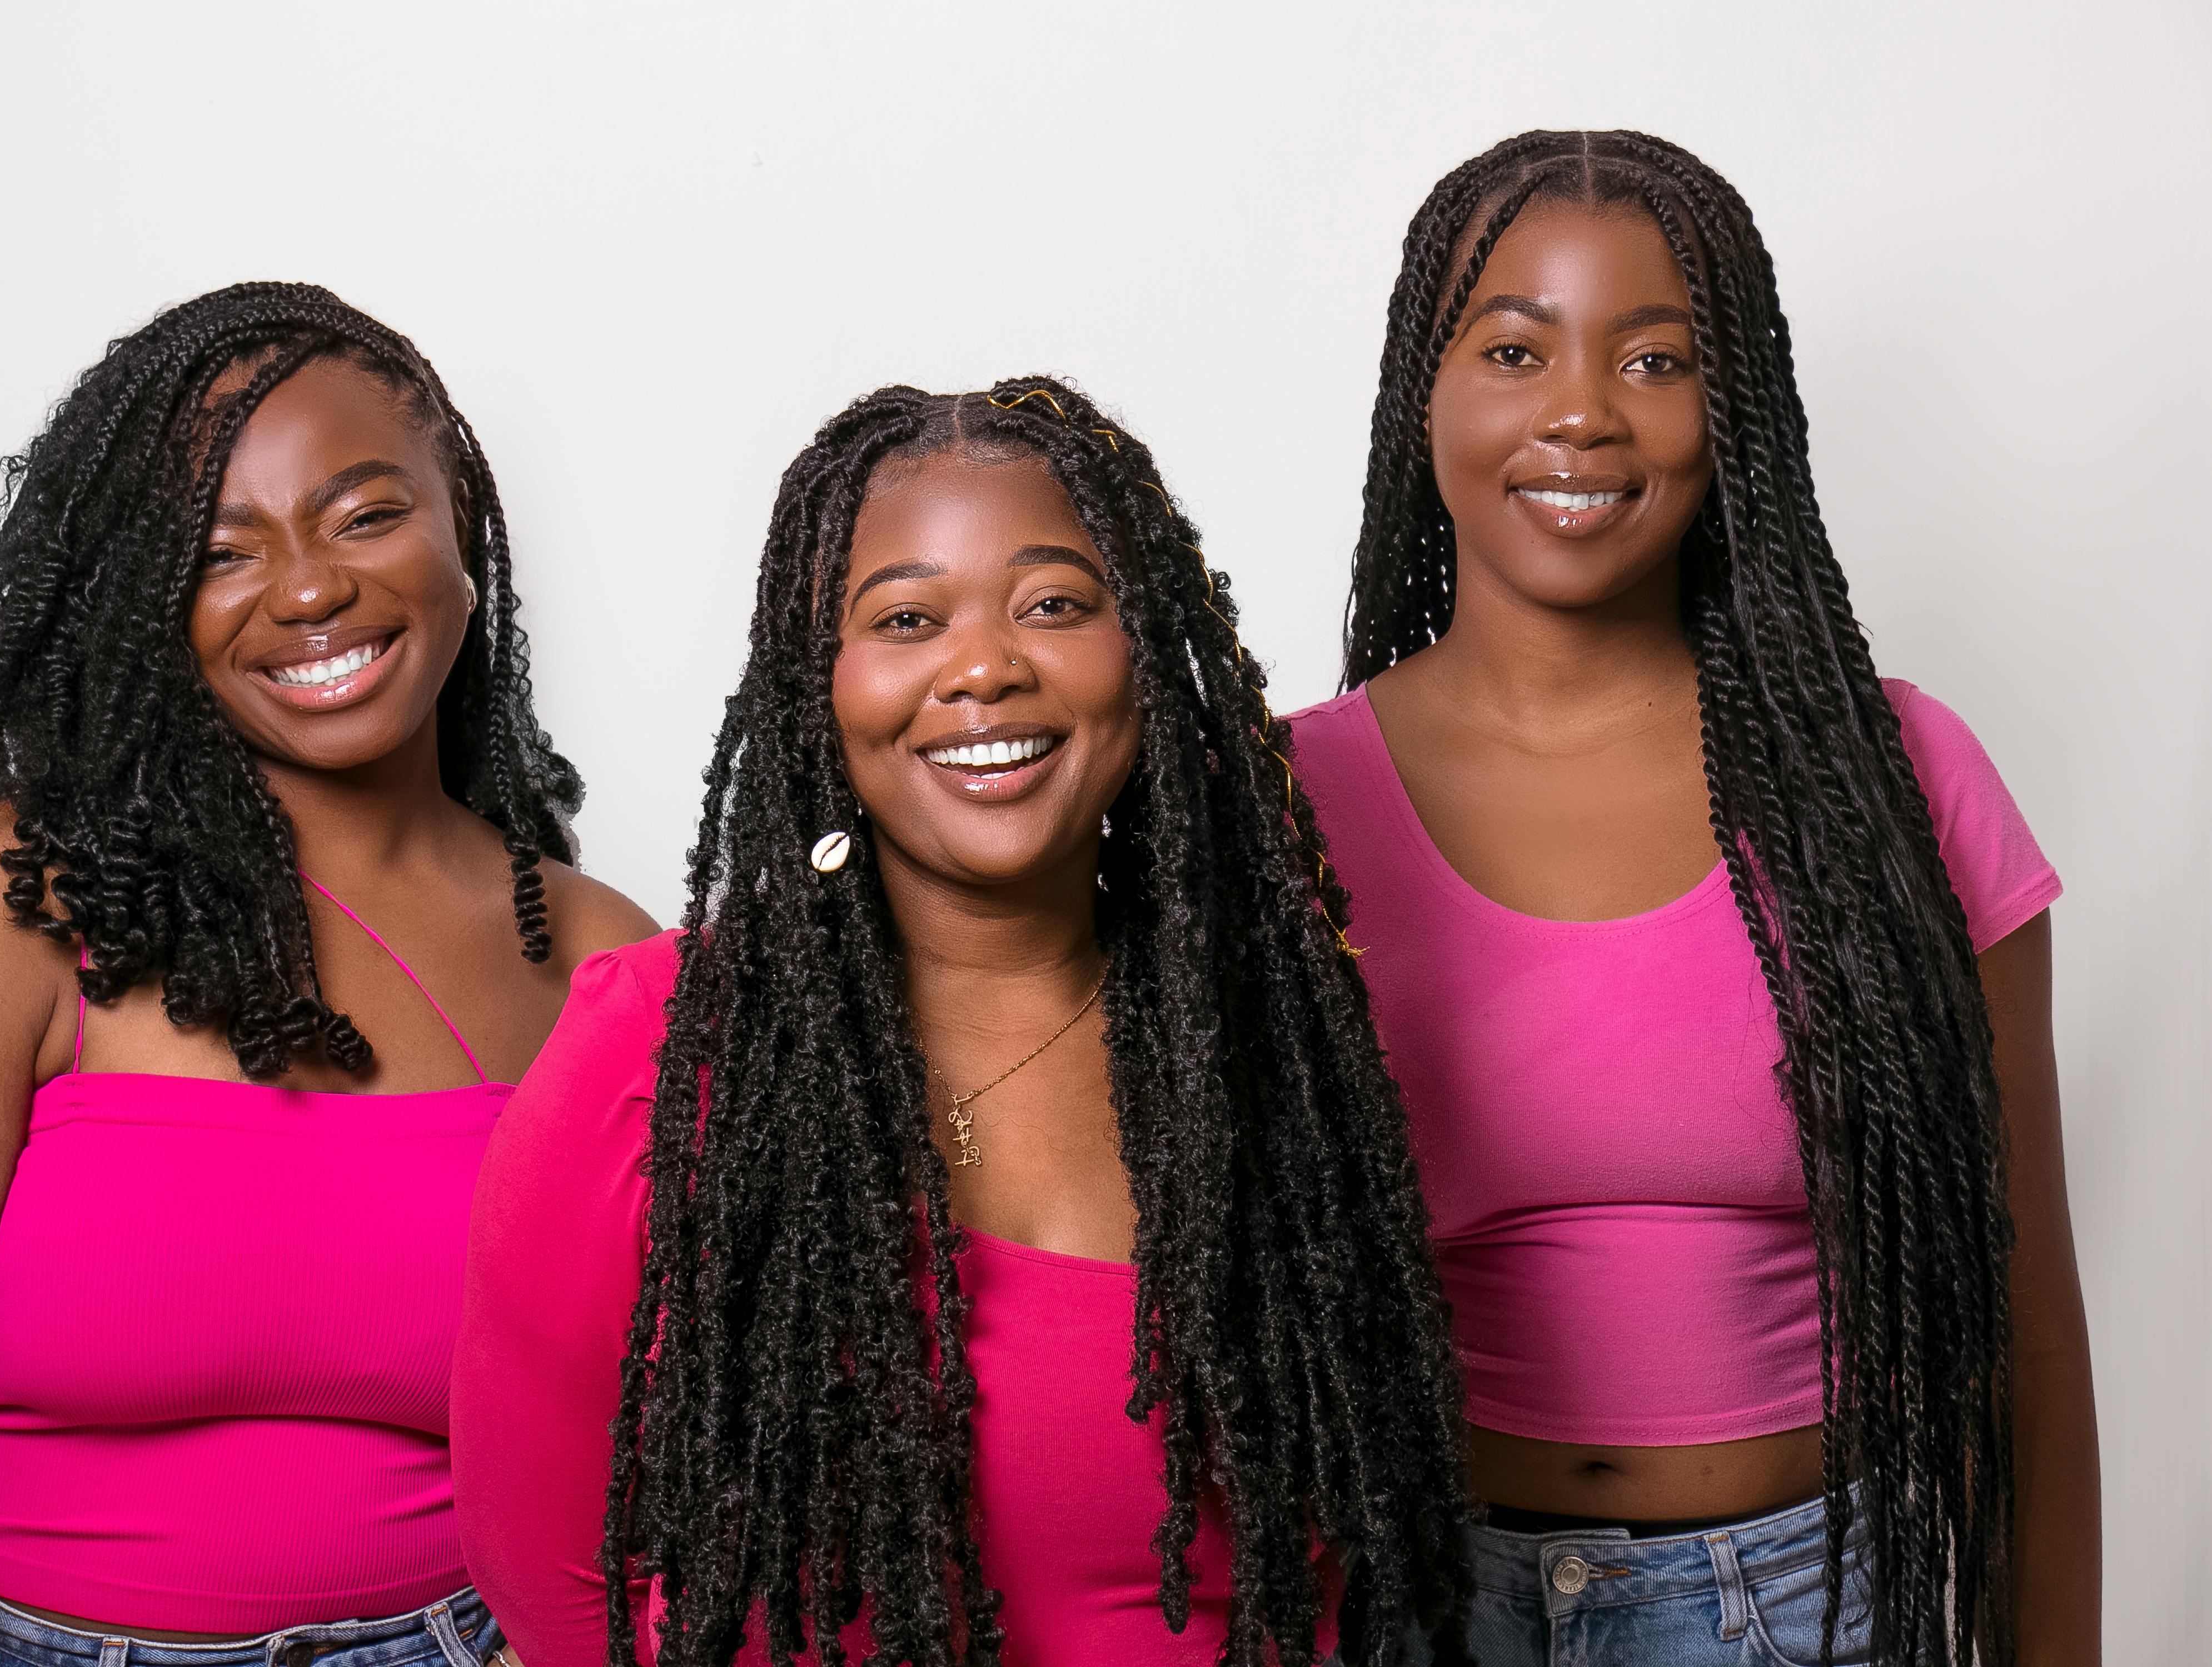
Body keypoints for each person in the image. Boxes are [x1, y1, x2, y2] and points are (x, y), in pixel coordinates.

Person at [450, 380, 1474, 1666]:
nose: (985, 667)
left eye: (1053, 604)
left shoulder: (1270, 1057)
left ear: (1145, 651)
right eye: (907, 619)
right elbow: (545, 1566)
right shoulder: (657, 1046)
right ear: (819, 683)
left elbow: (1327, 1574)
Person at [1286, 131, 2099, 1666]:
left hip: (1799, 1611)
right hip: (1408, 1600)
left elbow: (2021, 1330)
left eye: (1656, 358)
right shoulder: (1275, 805)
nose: (1581, 411)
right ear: (1426, 392)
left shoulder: (1896, 781)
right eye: (1514, 348)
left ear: (1736, 411)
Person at [0, 282, 656, 1667]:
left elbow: (640, 1476)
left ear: (463, 537)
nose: (311, 588)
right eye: (220, 551)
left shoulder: (596, 959)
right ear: (142, 600)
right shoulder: (7, 901)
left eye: (369, 515)